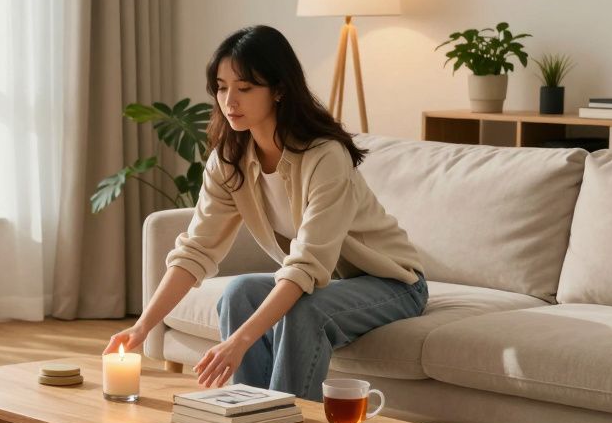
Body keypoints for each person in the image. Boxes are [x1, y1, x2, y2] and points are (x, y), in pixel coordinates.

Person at [103, 24, 427, 403]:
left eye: (245, 88)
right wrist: (142, 327)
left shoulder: (325, 156)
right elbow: (196, 251)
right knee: (238, 293)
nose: (230, 101)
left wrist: (239, 342)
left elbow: (306, 265)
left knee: (306, 311)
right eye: (222, 87)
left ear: (279, 89)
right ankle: (253, 419)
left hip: (392, 284)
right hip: (328, 284)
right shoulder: (229, 161)